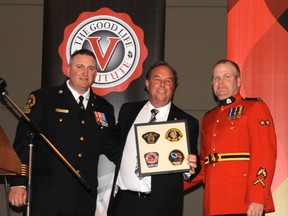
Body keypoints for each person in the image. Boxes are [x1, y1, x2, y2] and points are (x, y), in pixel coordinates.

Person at [9, 49, 119, 216]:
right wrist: (18, 183)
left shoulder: (104, 108)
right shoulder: (44, 99)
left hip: (82, 200)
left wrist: (140, 161)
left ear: (96, 73)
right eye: (80, 66)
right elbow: (24, 143)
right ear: (68, 70)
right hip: (46, 197)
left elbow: (113, 148)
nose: (85, 73)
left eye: (91, 68)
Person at [107, 61, 201, 216]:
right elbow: (112, 141)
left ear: (174, 86)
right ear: (147, 83)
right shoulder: (129, 111)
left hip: (161, 206)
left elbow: (192, 163)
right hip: (124, 203)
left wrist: (190, 168)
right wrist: (124, 159)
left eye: (168, 81)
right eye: (157, 79)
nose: (162, 84)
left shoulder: (186, 122)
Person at [187, 59, 277, 216]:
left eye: (227, 76)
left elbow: (265, 155)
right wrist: (172, 183)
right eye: (216, 78)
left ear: (239, 81)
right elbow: (205, 164)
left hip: (242, 202)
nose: (220, 82)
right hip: (213, 203)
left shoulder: (254, 107)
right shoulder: (208, 118)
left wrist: (257, 198)